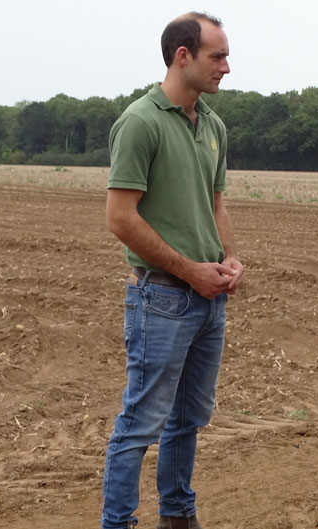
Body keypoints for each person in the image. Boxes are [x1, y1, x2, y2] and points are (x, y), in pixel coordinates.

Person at [100, 11, 244, 529]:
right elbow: (120, 218)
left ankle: (178, 517)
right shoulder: (140, 122)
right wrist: (189, 270)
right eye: (217, 56)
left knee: (188, 422)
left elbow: (216, 203)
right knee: (140, 423)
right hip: (161, 298)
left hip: (209, 299)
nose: (227, 67)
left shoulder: (213, 124)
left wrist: (229, 259)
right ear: (183, 56)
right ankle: (118, 523)